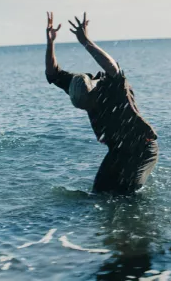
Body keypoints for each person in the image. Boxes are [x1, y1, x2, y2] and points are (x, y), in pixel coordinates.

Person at [44, 12, 159, 195]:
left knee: (129, 192)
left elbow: (112, 66)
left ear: (94, 92)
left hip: (142, 149)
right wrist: (50, 43)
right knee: (98, 193)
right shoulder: (77, 85)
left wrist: (85, 41)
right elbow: (52, 73)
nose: (89, 109)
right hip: (117, 151)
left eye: (89, 104)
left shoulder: (114, 86)